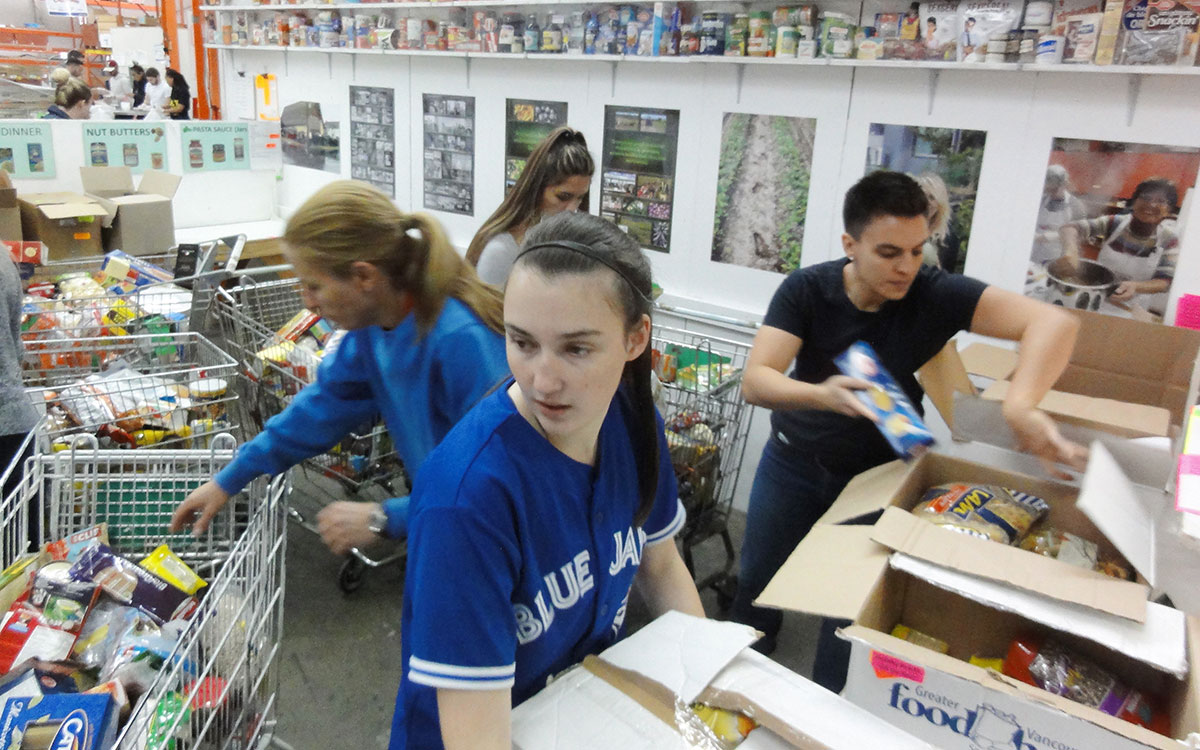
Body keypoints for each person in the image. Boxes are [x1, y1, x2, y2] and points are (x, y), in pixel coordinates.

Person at [729, 170, 1087, 680]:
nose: (906, 268)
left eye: (918, 251)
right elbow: (757, 381)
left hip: (876, 479)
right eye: (890, 252)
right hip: (794, 464)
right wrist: (822, 396)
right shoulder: (807, 290)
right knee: (757, 581)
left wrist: (1021, 406)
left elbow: (1054, 323)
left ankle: (824, 707)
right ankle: (736, 677)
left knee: (849, 607)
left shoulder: (935, 294)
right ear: (851, 245)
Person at [390, 212, 703, 749]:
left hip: (582, 715)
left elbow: (662, 564)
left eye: (577, 348)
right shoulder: (468, 500)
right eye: (523, 342)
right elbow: (477, 740)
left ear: (635, 339)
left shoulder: (631, 421)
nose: (542, 379)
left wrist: (708, 687)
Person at [169, 181, 509, 553]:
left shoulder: (461, 340)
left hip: (500, 548)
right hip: (444, 526)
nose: (307, 302)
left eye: (314, 286)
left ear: (364, 276)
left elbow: (503, 483)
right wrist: (229, 479)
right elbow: (323, 407)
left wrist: (386, 518)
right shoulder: (374, 330)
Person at [465, 126, 594, 286]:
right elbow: (488, 310)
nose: (572, 209)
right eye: (563, 197)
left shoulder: (561, 241)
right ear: (536, 188)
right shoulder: (501, 250)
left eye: (579, 198)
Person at [1057, 177, 1178, 308]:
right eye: (1146, 198)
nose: (1152, 204)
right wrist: (1071, 251)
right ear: (1134, 202)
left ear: (1169, 211)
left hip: (1131, 306)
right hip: (1096, 297)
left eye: (1161, 201)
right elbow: (1070, 228)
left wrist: (1136, 286)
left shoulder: (1169, 239)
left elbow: (1165, 281)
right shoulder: (1115, 222)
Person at [1031, 164, 1088, 265]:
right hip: (1033, 254)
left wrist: (1053, 236)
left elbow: (1079, 234)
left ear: (1064, 185)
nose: (1051, 193)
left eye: (1054, 189)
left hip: (1056, 257)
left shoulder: (1076, 206)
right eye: (1048, 189)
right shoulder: (1040, 200)